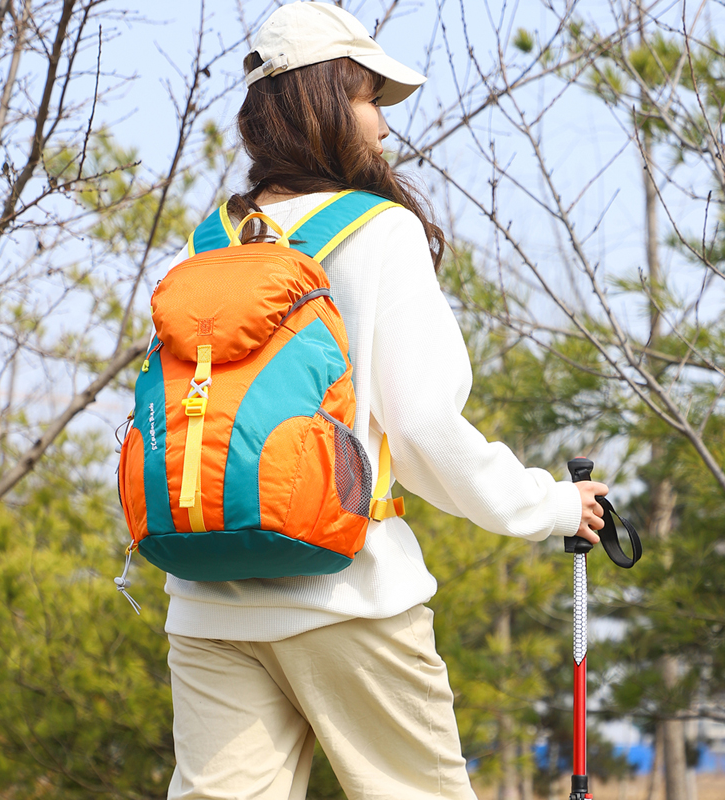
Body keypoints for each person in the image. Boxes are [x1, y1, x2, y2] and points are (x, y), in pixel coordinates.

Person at [163, 3, 607, 799]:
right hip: (349, 593)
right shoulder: (380, 234)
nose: (384, 127)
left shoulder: (203, 244)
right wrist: (552, 505)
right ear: (327, 103)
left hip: (207, 603)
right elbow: (427, 428)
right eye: (370, 100)